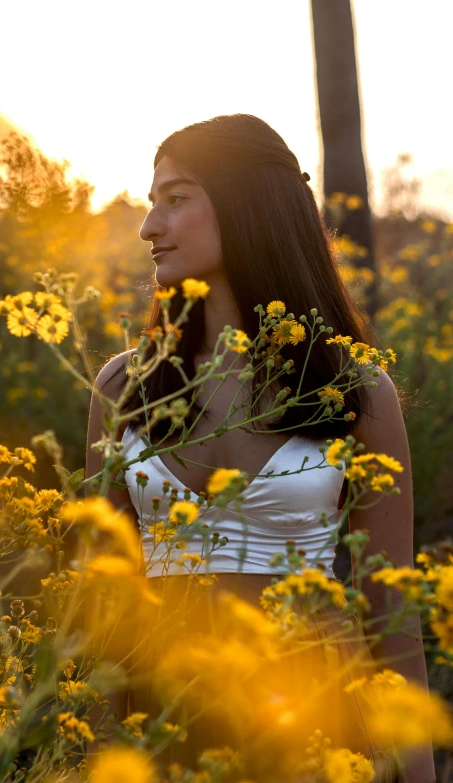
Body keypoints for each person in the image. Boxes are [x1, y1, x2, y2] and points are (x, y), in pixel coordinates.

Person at [86, 115, 433, 782]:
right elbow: (100, 610)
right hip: (166, 731)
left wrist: (419, 773)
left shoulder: (358, 389)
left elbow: (394, 623)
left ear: (248, 204)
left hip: (313, 731)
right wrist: (100, 758)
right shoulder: (119, 386)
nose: (148, 226)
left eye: (176, 198)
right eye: (151, 200)